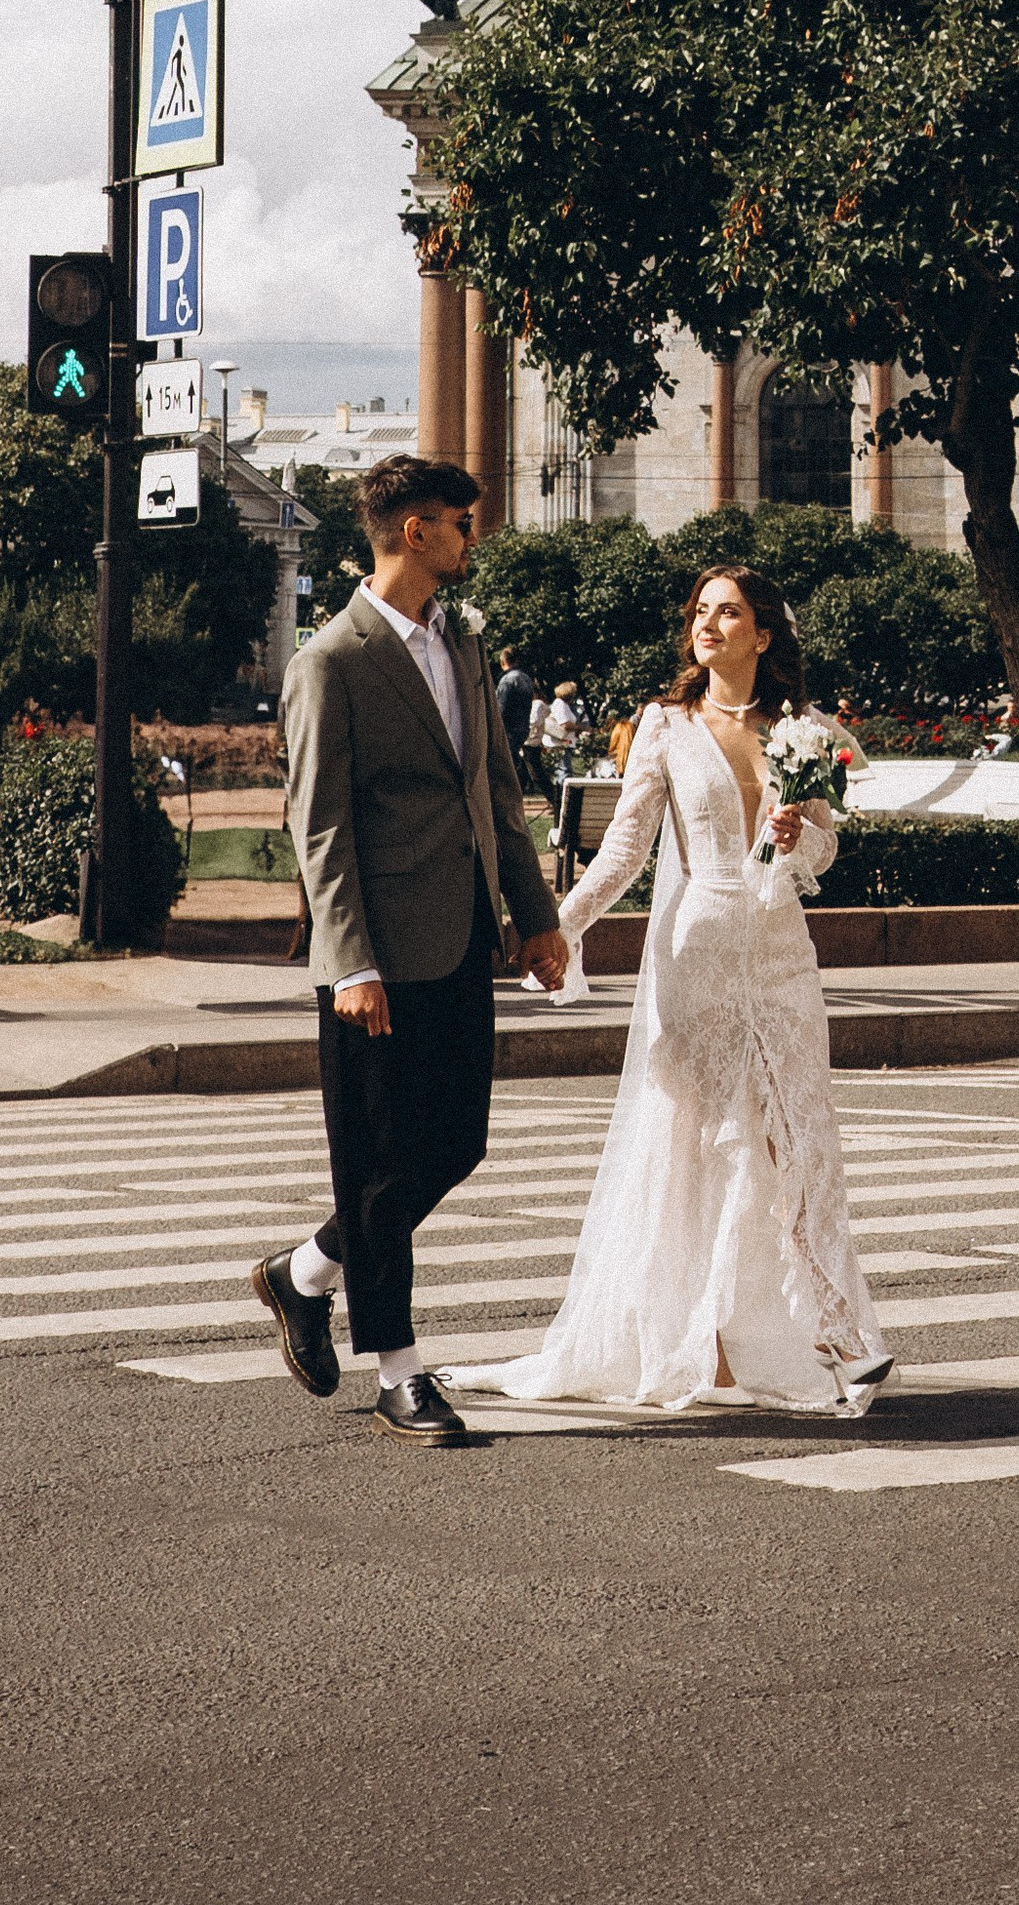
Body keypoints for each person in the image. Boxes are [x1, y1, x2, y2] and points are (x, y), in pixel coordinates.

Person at [455, 566, 889, 1418]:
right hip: (697, 958)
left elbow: (823, 858)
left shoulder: (805, 732)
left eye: (729, 612)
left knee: (801, 1144)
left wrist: (797, 836)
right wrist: (557, 928)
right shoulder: (665, 725)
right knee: (710, 1151)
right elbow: (623, 852)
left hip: (780, 956)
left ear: (764, 634)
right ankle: (712, 1346)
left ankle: (839, 1336)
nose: (709, 624)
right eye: (701, 611)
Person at [250, 455, 567, 1442]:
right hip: (375, 960)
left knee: (453, 1145)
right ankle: (399, 1372)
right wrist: (349, 963)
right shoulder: (330, 662)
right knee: (378, 1165)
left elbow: (495, 794)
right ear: (417, 532)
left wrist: (537, 915)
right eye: (461, 526)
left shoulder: (461, 645)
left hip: (463, 937)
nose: (474, 541)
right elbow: (322, 827)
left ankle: (302, 1274)